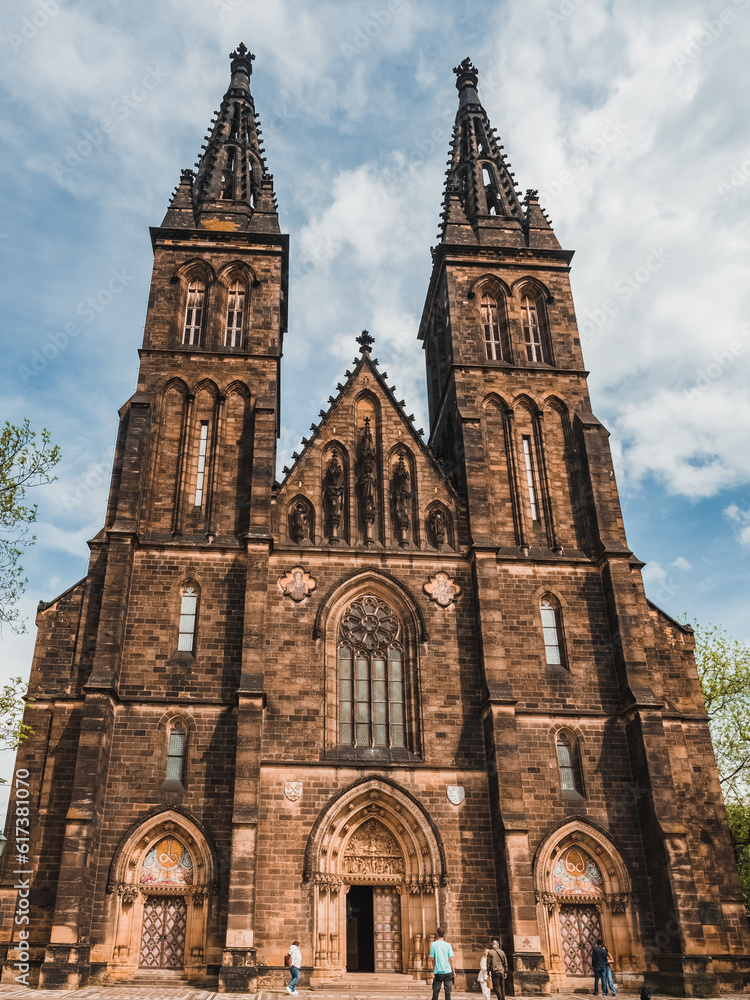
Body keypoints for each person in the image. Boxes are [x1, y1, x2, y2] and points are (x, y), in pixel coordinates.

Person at [429, 927, 455, 999]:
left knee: (435, 993)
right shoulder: (448, 945)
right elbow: (451, 960)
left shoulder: (433, 945)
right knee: (448, 993)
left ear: (437, 934)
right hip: (447, 972)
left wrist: (434, 968)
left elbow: (432, 959)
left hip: (438, 972)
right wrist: (454, 971)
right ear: (444, 935)